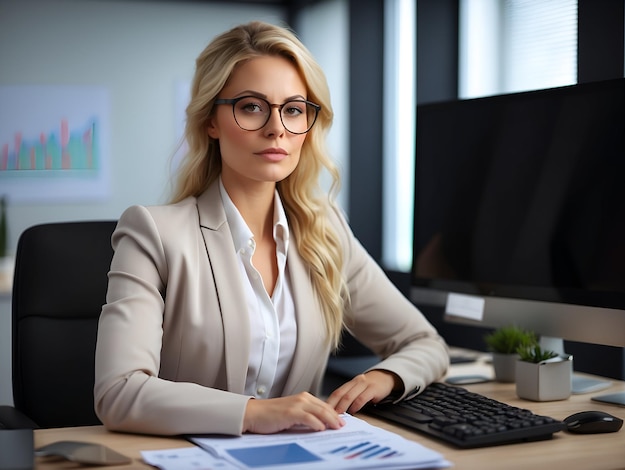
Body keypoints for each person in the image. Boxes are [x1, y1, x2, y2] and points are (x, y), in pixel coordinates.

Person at [94, 20, 449, 437]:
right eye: (251, 106)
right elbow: (118, 393)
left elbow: (425, 344)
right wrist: (253, 413)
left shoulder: (325, 231)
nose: (276, 127)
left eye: (294, 109)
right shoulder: (153, 233)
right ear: (211, 121)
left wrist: (386, 378)